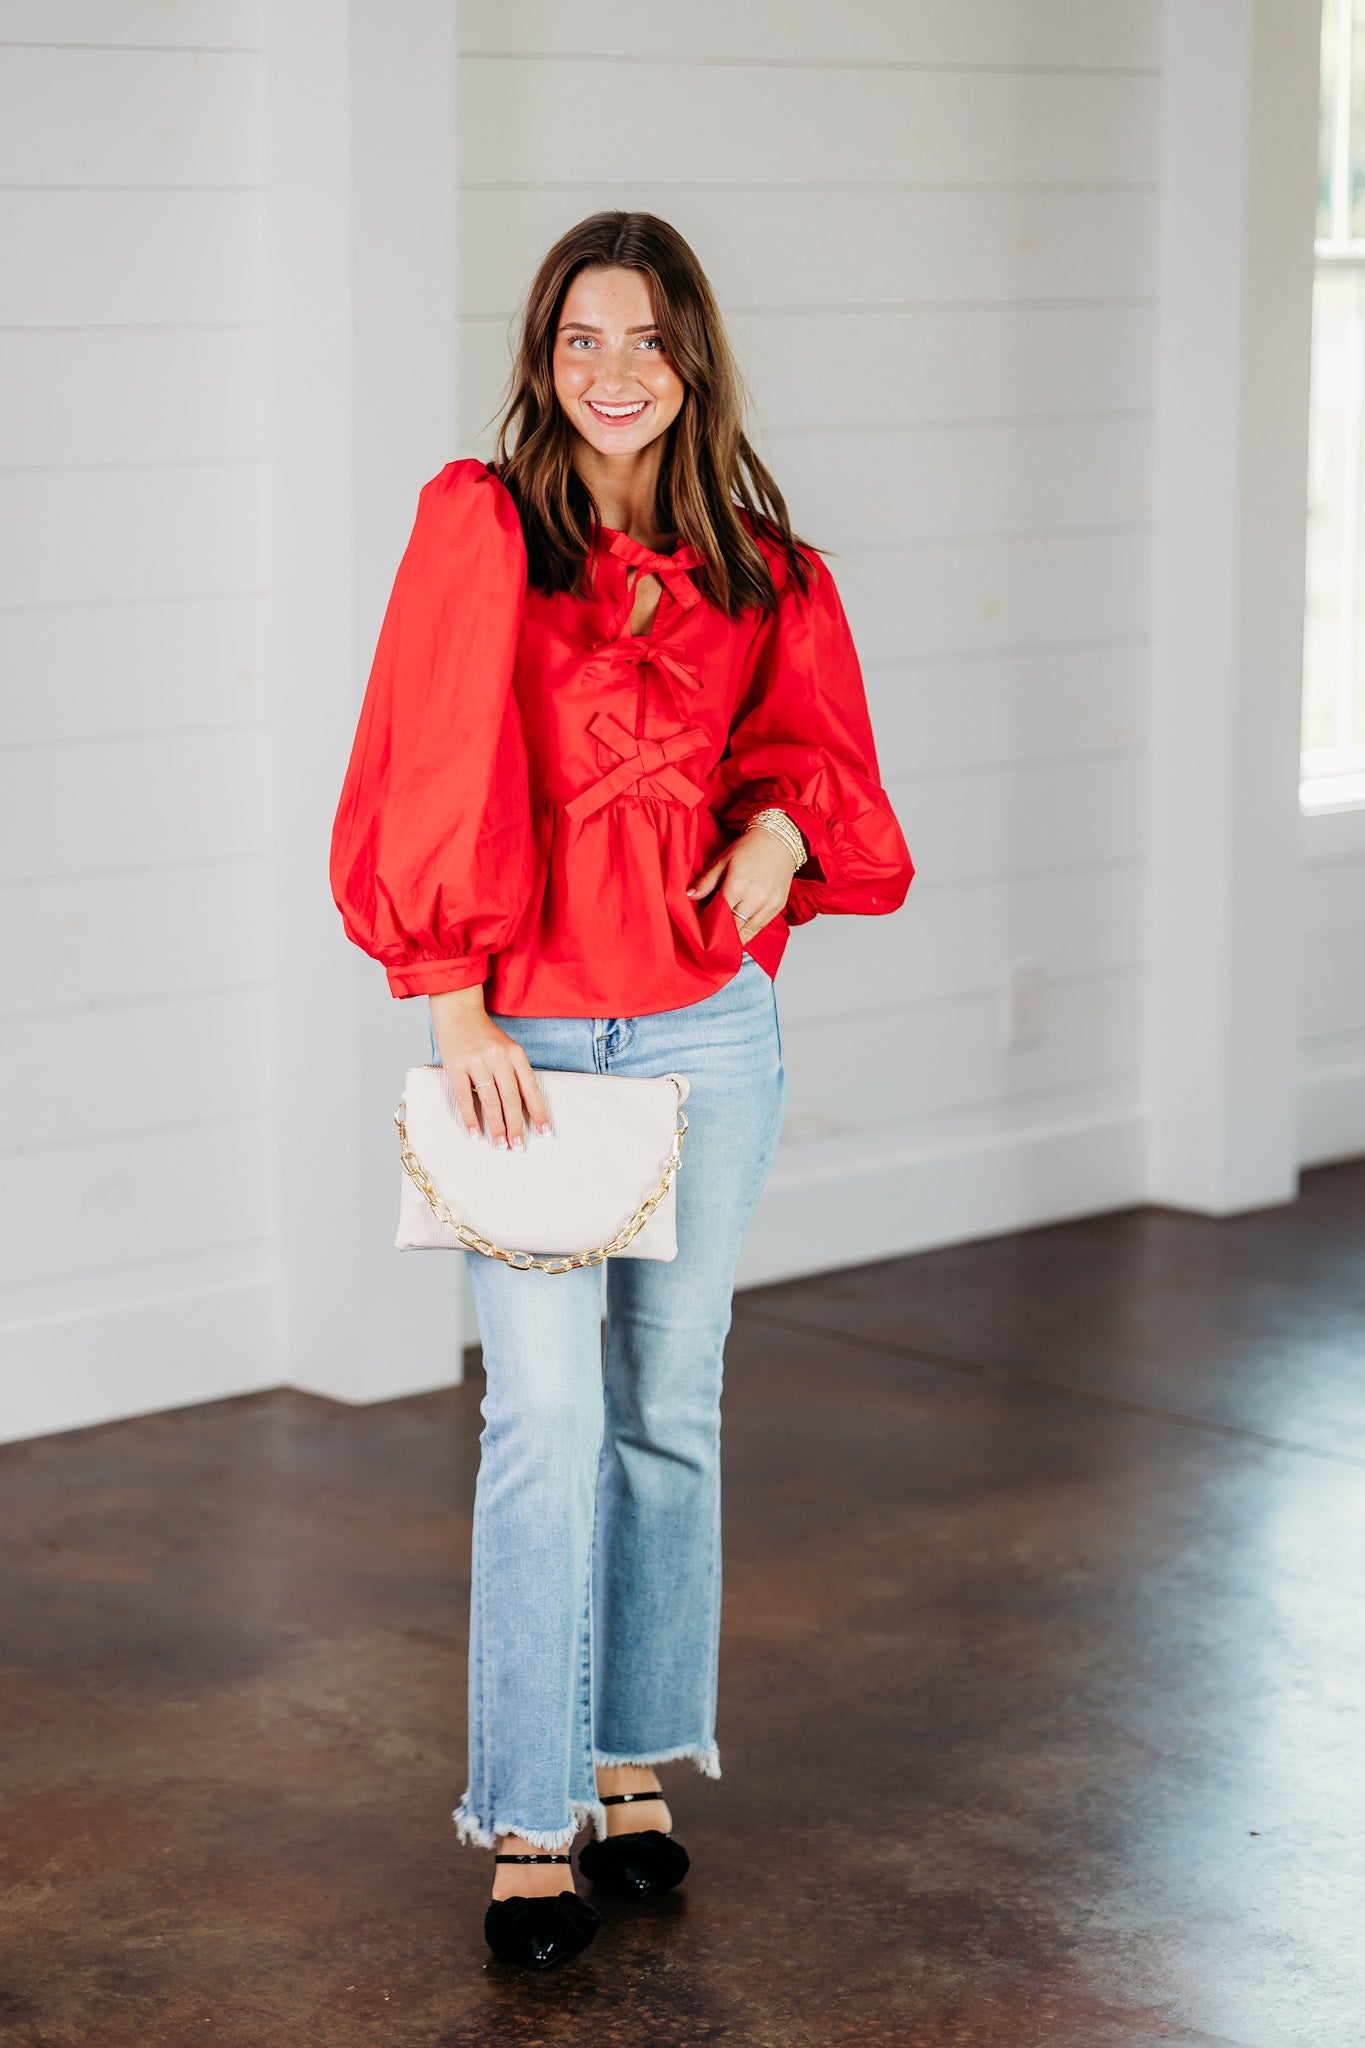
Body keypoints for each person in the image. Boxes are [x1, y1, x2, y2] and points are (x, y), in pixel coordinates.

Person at [329, 211, 913, 1971]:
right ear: (540, 355)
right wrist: (450, 1003)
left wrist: (778, 825)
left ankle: (627, 1756)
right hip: (530, 1039)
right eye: (579, 338)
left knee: (670, 1407)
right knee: (544, 1423)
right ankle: (524, 1812)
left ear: (693, 358)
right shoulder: (483, 528)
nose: (611, 371)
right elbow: (423, 757)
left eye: (644, 338)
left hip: (706, 1031)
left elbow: (817, 759)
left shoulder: (763, 566)